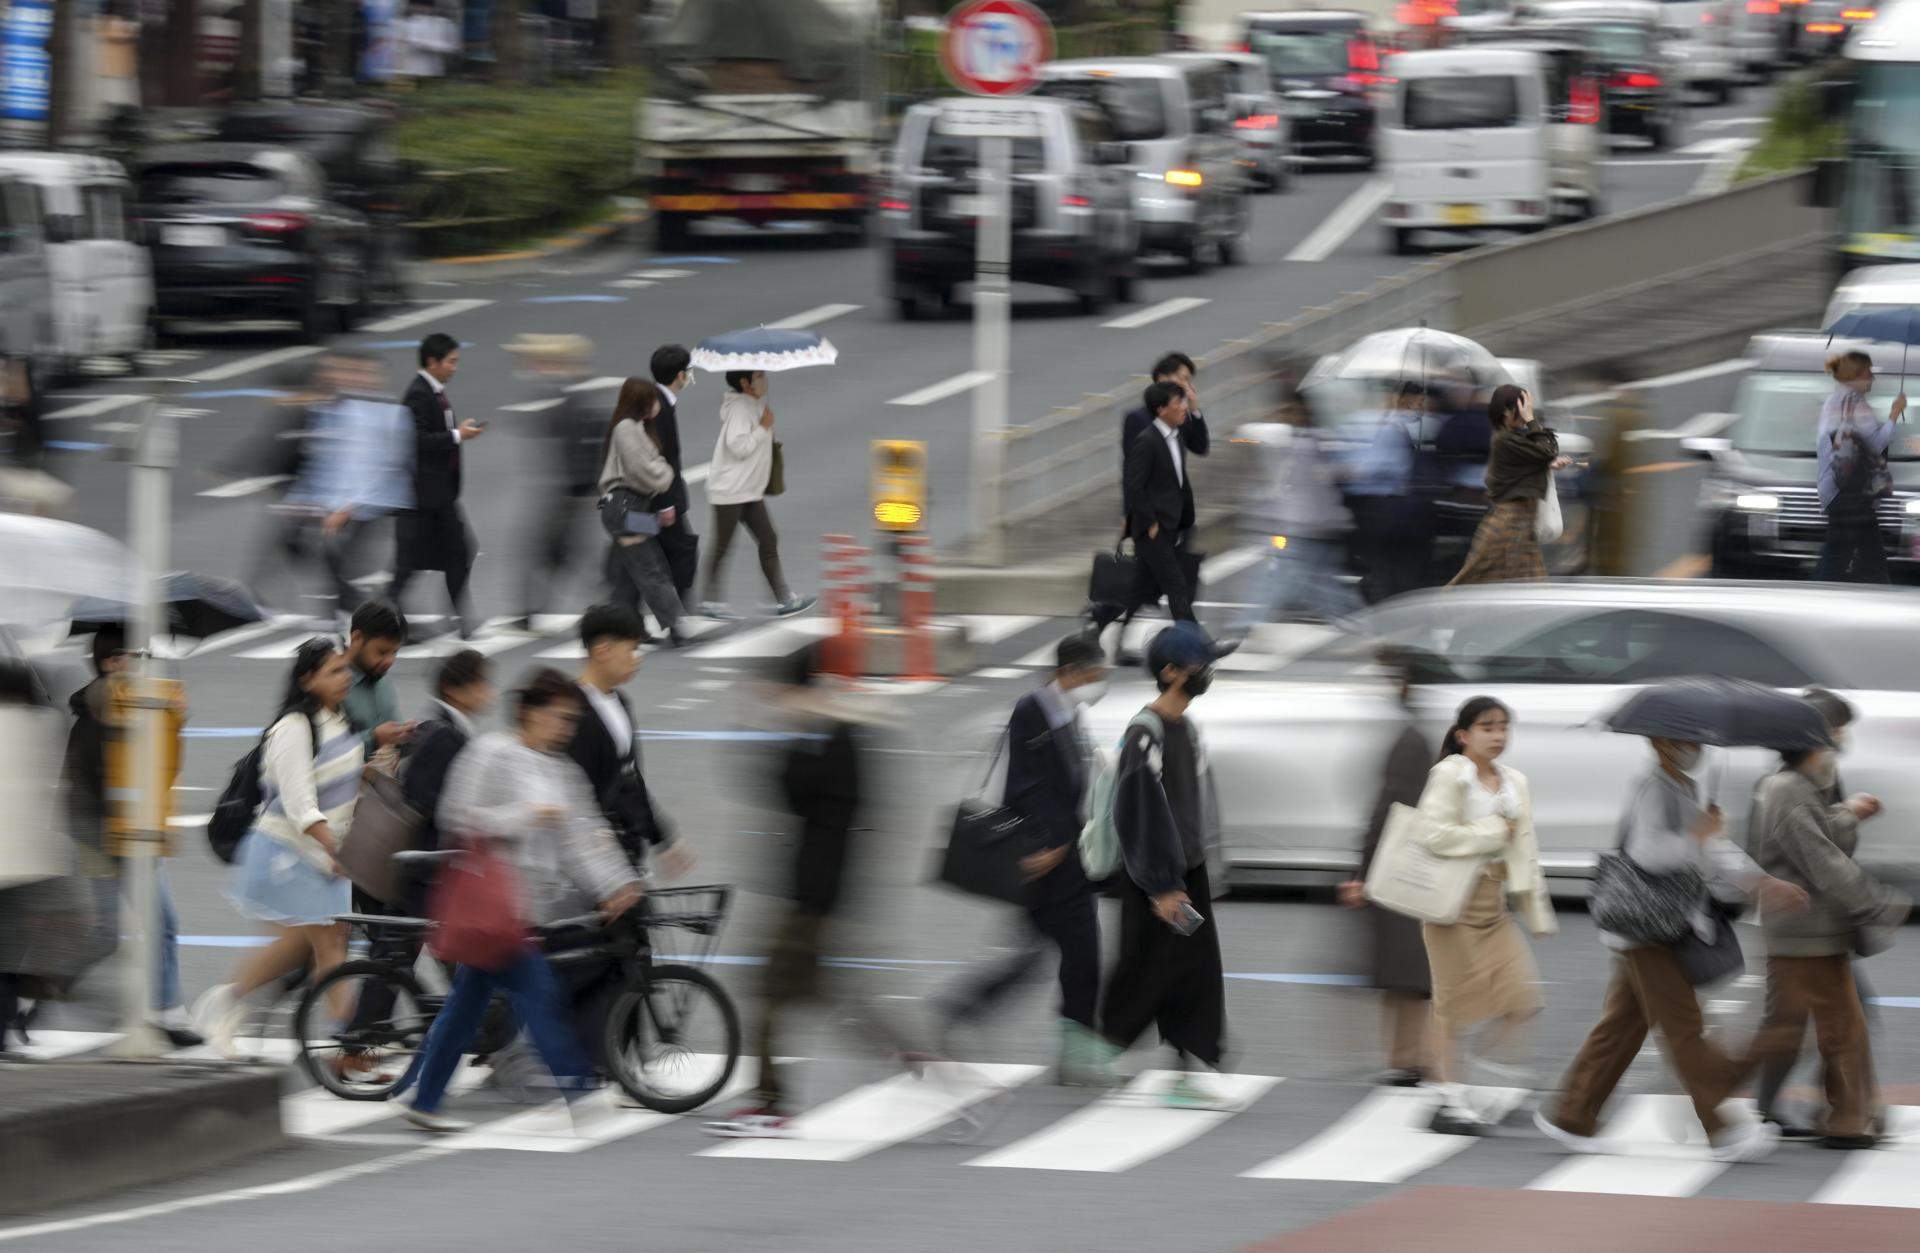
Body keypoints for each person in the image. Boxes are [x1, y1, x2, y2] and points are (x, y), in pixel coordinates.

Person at [1535, 737, 1810, 1163]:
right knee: (1684, 1028)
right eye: (1684, 740)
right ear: (1658, 741)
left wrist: (1760, 882)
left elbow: (1711, 851)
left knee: (1622, 1027)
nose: (1693, 747)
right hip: (1650, 926)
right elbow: (1649, 853)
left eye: (1695, 741)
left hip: (1661, 923)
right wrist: (1697, 834)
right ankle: (1720, 1127)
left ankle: (1572, 1114)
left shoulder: (1682, 786)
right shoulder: (1651, 787)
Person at [399, 668, 644, 1134]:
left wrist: (617, 881)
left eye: (570, 720)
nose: (564, 728)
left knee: (465, 1007)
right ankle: (576, 1088)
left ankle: (425, 1098)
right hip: (496, 906)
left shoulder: (562, 770)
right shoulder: (492, 753)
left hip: (526, 910)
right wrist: (526, 816)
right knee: (537, 994)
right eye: (558, 717)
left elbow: (583, 834)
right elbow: (458, 817)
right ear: (528, 713)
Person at [705, 645, 868, 1138]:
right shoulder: (825, 735)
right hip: (811, 895)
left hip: (814, 898)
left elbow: (802, 795)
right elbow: (786, 791)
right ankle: (941, 1073)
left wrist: (782, 729)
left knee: (768, 993)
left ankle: (771, 1103)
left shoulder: (838, 740)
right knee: (845, 1004)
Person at [934, 634, 1109, 1085]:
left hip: (1066, 853)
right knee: (1079, 954)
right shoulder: (1034, 710)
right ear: (1068, 672)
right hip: (1049, 856)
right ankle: (1076, 1052)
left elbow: (1070, 779)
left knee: (1043, 955)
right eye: (1093, 674)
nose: (1098, 682)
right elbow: (1023, 785)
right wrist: (1047, 844)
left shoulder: (1071, 711)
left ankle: (962, 1010)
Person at [1743, 705, 1908, 1149]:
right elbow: (1822, 859)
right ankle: (1845, 1120)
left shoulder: (1800, 785)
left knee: (1817, 1027)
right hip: (1804, 931)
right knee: (1833, 1029)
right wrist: (1877, 901)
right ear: (1808, 743)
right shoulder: (1786, 789)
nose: (1835, 745)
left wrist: (1850, 813)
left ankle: (1842, 1118)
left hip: (1815, 930)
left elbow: (1820, 841)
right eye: (1830, 737)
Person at [197, 639, 363, 1058]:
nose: (345, 677)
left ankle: (227, 1001)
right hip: (289, 853)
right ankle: (347, 1046)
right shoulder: (292, 728)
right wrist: (335, 848)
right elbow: (298, 804)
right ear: (307, 679)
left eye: (345, 669)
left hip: (320, 856)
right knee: (328, 946)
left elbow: (339, 782)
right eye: (334, 671)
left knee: (307, 946)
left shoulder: (337, 718)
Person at [1093, 622, 1230, 1108]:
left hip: (1186, 872)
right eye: (1199, 665)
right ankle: (1101, 1049)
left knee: (1191, 975)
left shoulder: (1186, 728)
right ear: (1170, 672)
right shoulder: (1144, 734)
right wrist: (1162, 886)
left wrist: (1206, 864)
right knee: (1144, 972)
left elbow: (1196, 804)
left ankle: (1182, 1073)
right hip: (1155, 879)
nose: (1206, 673)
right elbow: (1138, 814)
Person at [1413, 696, 1557, 1135]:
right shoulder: (1451, 774)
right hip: (1451, 905)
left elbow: (1524, 846)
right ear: (1464, 735)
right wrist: (1493, 831)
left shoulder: (1515, 781)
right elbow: (1433, 834)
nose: (1497, 735)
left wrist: (1535, 906)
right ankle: (1447, 1099)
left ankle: (1483, 1081)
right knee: (1452, 1007)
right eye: (1487, 727)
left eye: (1503, 727)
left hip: (1493, 904)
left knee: (1522, 1000)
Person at [61, 626, 198, 1046]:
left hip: (134, 837)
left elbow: (164, 774)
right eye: (132, 655)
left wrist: (173, 723)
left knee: (158, 924)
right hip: (104, 840)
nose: (141, 663)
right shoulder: (94, 721)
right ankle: (37, 982)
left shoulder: (137, 710)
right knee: (107, 934)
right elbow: (90, 791)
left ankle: (168, 1012)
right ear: (111, 663)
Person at [1337, 648, 1434, 1087]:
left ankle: (1411, 1059)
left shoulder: (1409, 741)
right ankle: (1409, 1058)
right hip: (1418, 862)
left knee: (1406, 971)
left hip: (1399, 866)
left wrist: (1362, 870)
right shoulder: (1423, 737)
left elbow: (1386, 809)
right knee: (1411, 972)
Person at [1, 661, 99, 1054]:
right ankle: (14, 1020)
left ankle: (7, 1027)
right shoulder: (47, 724)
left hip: (16, 862)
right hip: (34, 864)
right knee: (12, 953)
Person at [284, 351, 413, 624]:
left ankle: (384, 618)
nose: (351, 379)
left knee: (344, 562)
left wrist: (351, 506)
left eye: (360, 373)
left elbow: (390, 466)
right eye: (346, 372)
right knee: (324, 558)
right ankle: (360, 613)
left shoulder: (390, 415)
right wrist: (301, 499)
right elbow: (319, 460)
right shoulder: (327, 411)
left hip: (371, 506)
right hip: (333, 502)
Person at [566, 604, 694, 877]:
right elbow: (575, 790)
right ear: (603, 651)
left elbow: (631, 778)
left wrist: (662, 837)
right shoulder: (573, 712)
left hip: (625, 852)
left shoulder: (621, 703)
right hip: (594, 861)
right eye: (632, 649)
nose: (638, 658)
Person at [1233, 388, 1361, 632]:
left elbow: (1246, 435)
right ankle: (1364, 627)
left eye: (1288, 411)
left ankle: (1245, 626)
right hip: (1317, 526)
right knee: (1322, 584)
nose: (1283, 416)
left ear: (1302, 411)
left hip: (1306, 528)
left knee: (1280, 580)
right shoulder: (1316, 440)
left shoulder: (1305, 444)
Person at [505, 334, 603, 630]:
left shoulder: (570, 396)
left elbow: (575, 440)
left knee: (555, 554)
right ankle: (534, 610)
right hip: (568, 493)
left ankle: (536, 611)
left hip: (568, 494)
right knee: (560, 556)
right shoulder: (570, 393)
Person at [391, 333, 484, 642]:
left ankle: (459, 616)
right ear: (432, 362)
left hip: (439, 496)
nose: (454, 368)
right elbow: (415, 440)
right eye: (451, 362)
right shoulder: (418, 394)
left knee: (455, 552)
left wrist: (457, 432)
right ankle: (389, 617)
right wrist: (458, 435)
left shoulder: (434, 393)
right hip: (424, 499)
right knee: (413, 563)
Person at [699, 369, 814, 619]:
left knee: (768, 538)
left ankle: (783, 599)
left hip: (748, 490)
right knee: (722, 545)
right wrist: (763, 428)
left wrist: (763, 423)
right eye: (759, 376)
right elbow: (738, 446)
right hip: (731, 490)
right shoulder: (739, 409)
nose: (765, 380)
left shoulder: (753, 404)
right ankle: (709, 602)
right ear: (745, 382)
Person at [1449, 385, 1570, 587]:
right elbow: (1547, 450)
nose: (1525, 412)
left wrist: (1547, 465)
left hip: (1522, 524)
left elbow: (1541, 455)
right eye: (1521, 407)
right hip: (1508, 523)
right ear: (1505, 411)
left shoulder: (1514, 438)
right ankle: (1436, 614)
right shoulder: (1504, 440)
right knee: (1473, 580)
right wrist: (1531, 420)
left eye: (1527, 407)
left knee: (1528, 589)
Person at [600, 379, 690, 646]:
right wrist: (666, 473)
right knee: (650, 568)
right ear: (641, 403)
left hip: (629, 507)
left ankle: (623, 629)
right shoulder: (626, 429)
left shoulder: (636, 427)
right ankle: (675, 626)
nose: (657, 405)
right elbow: (645, 470)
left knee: (627, 572)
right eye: (652, 400)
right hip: (626, 507)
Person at [1815, 350, 1905, 584]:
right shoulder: (1855, 403)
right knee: (1839, 557)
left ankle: (1877, 593)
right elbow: (1874, 445)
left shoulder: (1833, 401)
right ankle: (1816, 597)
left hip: (1837, 489)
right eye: (1869, 372)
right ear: (1857, 374)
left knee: (1868, 554)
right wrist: (1895, 414)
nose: (1873, 378)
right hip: (1851, 493)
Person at [1120, 381, 1202, 630]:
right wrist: (1151, 522)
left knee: (1140, 589)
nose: (1183, 407)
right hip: (1154, 529)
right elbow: (1133, 485)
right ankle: (1198, 646)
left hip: (1172, 525)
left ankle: (1098, 629)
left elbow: (1179, 481)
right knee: (1177, 587)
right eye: (1178, 403)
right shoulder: (1147, 441)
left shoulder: (1174, 438)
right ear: (1161, 409)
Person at [1344, 382, 1432, 604]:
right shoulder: (1390, 429)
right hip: (1387, 513)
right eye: (1419, 403)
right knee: (1389, 572)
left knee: (1390, 571)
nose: (1421, 409)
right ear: (1404, 401)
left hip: (1391, 512)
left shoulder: (1397, 427)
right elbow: (1369, 469)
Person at [648, 344, 701, 606]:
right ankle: (676, 616)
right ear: (680, 375)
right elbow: (658, 460)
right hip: (660, 506)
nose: (690, 376)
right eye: (688, 371)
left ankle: (635, 618)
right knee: (682, 552)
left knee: (644, 555)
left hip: (645, 505)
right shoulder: (659, 408)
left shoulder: (657, 401)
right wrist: (666, 503)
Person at [341, 600, 414, 766]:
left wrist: (405, 735)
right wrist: (373, 739)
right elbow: (320, 750)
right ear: (357, 638)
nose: (390, 661)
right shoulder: (332, 683)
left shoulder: (383, 682)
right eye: (382, 652)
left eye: (394, 652)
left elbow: (392, 742)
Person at [1119, 351, 1210, 471]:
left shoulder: (1181, 417)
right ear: (1162, 379)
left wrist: (1194, 410)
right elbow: (1133, 467)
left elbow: (1200, 448)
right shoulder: (1137, 418)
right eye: (1183, 379)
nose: (1187, 386)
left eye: (1189, 381)